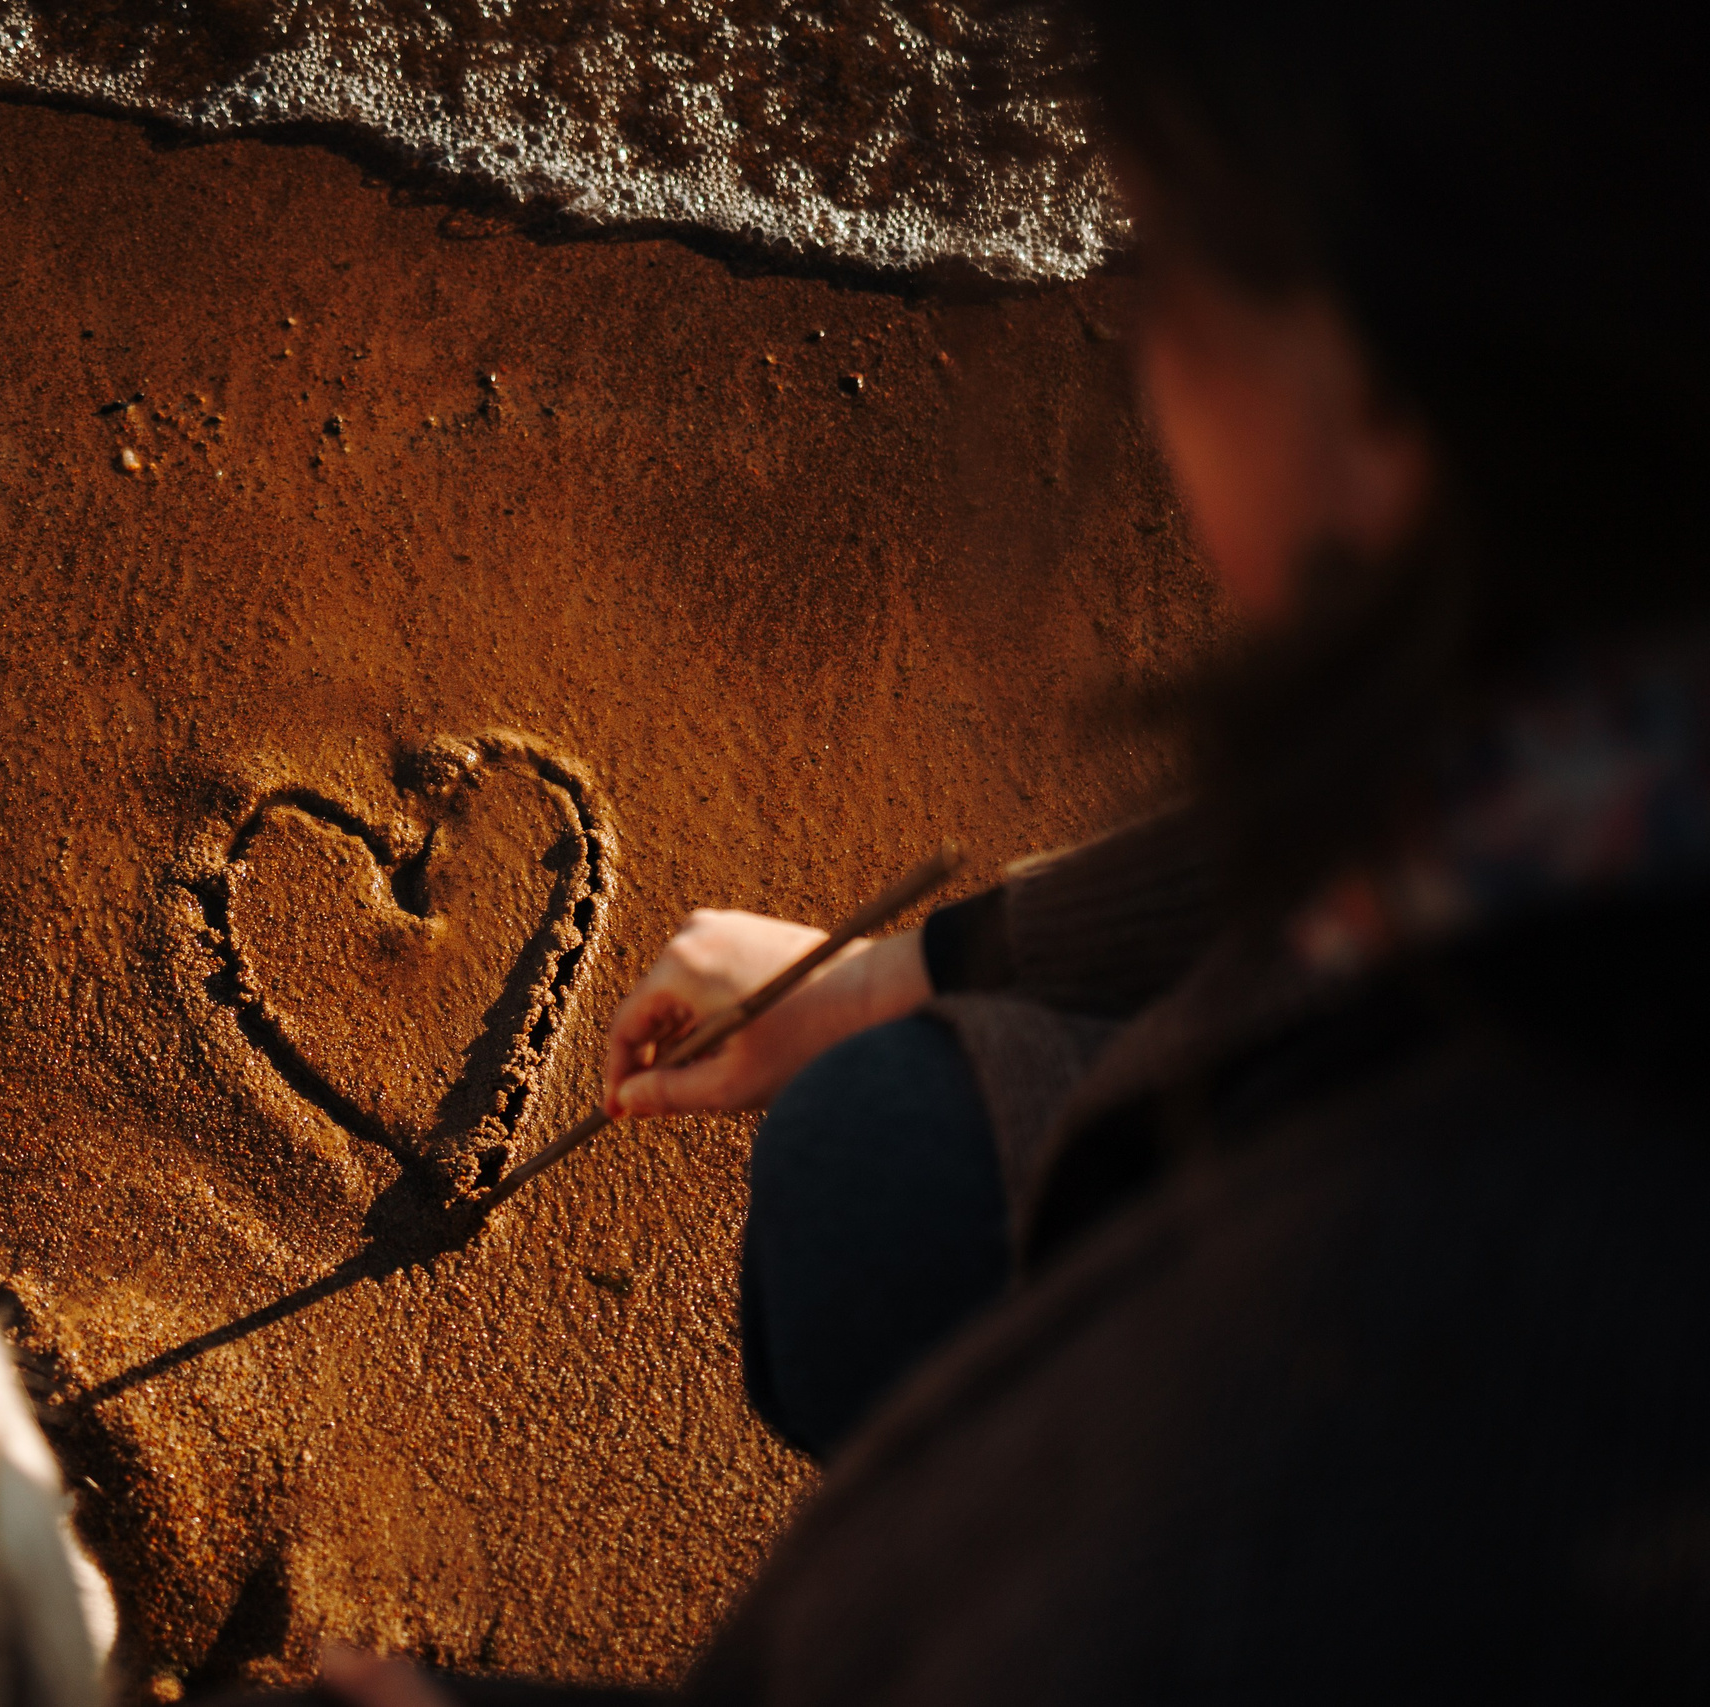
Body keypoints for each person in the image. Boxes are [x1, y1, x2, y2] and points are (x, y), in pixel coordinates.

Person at [326, 0, 1710, 1698]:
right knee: (882, 1161)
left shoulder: (1420, 1367)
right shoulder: (1601, 723)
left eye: (1172, 281)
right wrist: (912, 972)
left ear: (1387, 389)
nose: (1141, 354)